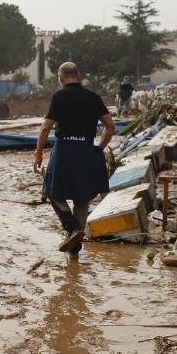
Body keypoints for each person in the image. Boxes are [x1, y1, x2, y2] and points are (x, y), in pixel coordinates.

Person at [33, 62, 114, 258]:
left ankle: (71, 228)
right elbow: (110, 126)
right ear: (78, 76)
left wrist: (38, 153)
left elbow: (45, 127)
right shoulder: (93, 98)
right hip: (86, 149)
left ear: (61, 78)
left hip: (64, 150)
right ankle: (74, 252)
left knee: (52, 192)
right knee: (82, 198)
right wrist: (99, 148)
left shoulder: (59, 97)